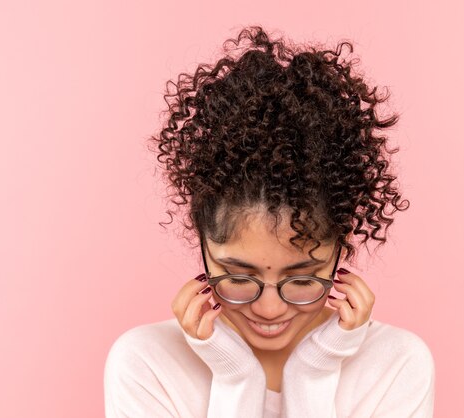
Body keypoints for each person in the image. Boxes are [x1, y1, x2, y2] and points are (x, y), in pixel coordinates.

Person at [103, 25, 435, 417]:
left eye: (303, 279)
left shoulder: (395, 366)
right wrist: (236, 377)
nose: (270, 310)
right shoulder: (147, 365)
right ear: (204, 244)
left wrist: (311, 374)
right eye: (239, 278)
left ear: (340, 248)